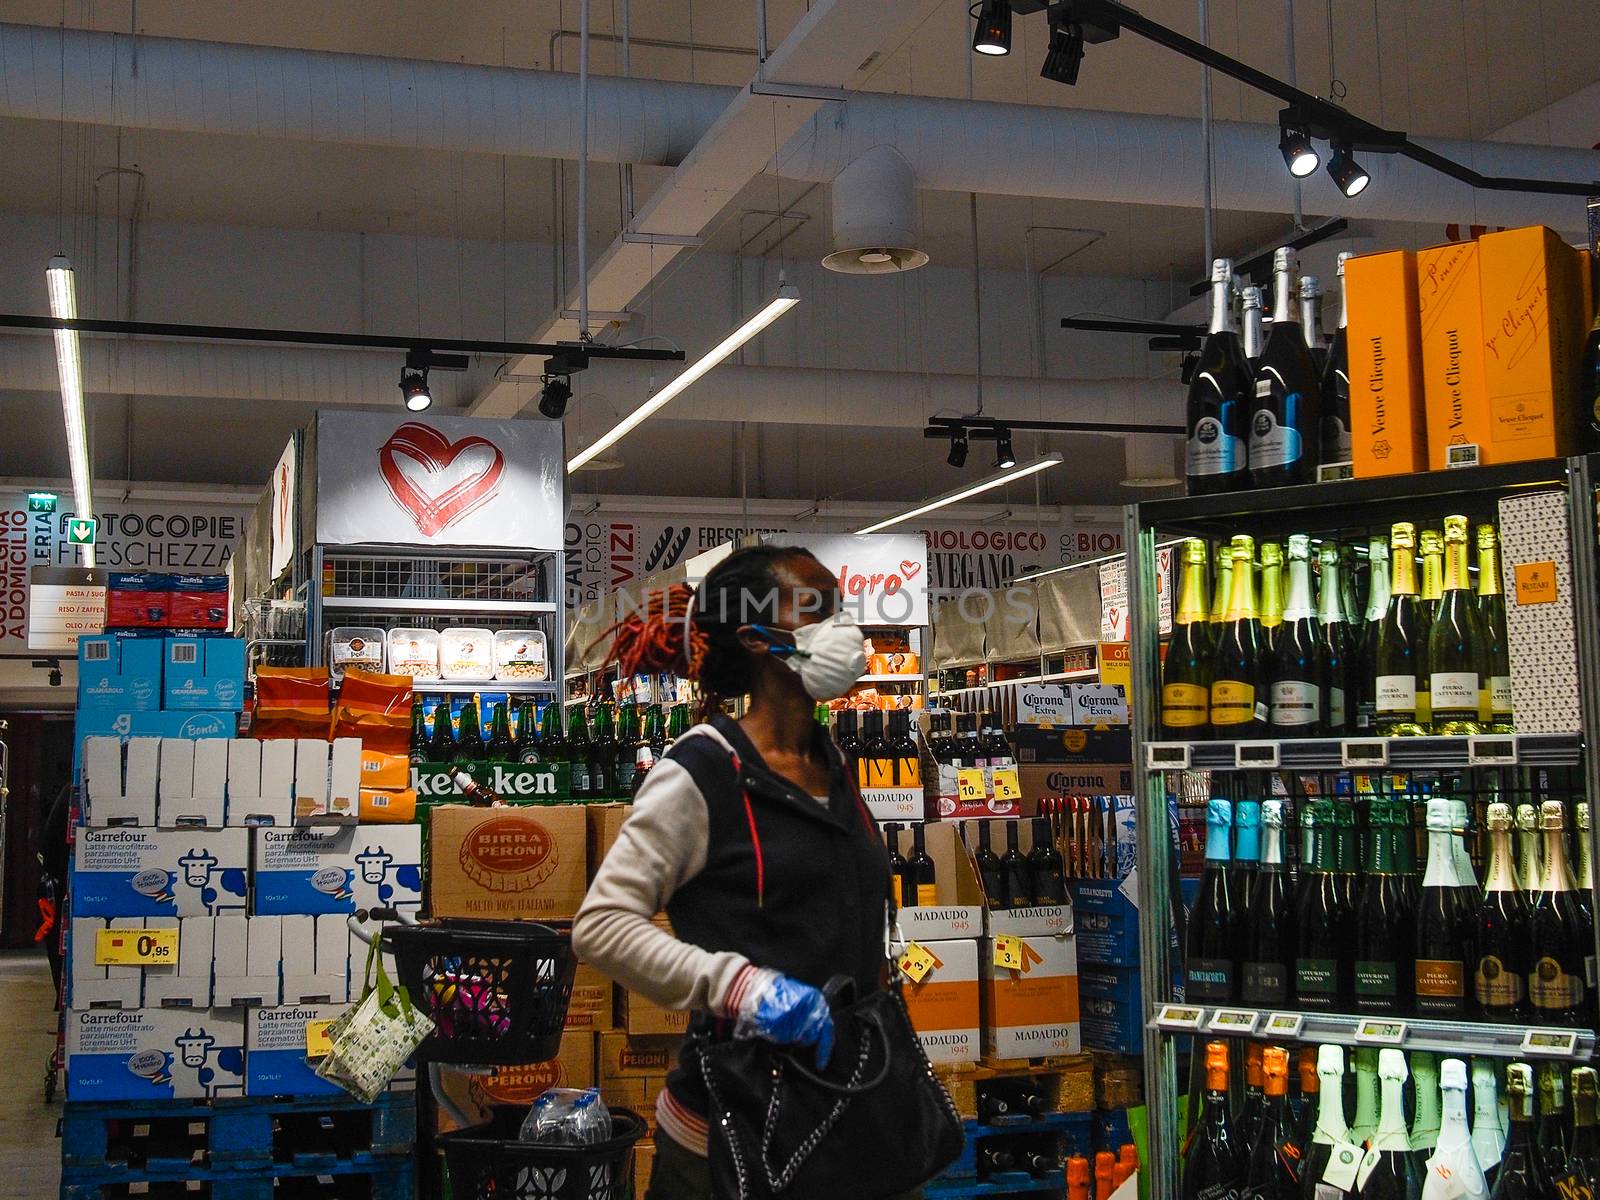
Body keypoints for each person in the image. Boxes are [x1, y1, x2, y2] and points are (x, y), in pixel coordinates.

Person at [573, 545, 923, 1200]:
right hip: (733, 1138)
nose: (843, 629)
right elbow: (601, 926)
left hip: (849, 1115)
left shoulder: (834, 763)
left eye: (839, 609)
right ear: (756, 638)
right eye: (816, 609)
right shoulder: (703, 769)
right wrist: (741, 988)